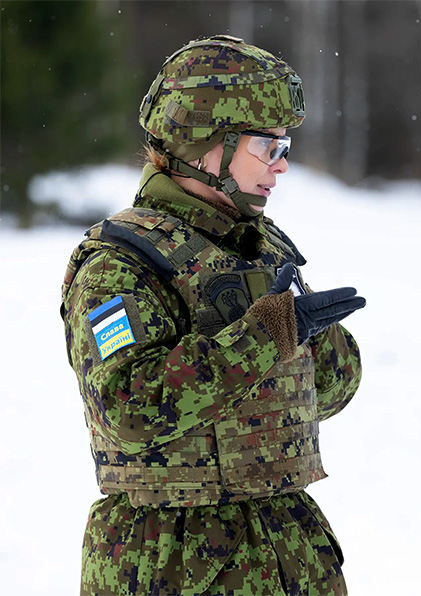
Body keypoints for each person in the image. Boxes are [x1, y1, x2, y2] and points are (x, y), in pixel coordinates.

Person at [61, 35, 366, 595]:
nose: (282, 166)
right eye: (267, 147)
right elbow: (129, 411)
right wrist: (266, 337)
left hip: (288, 545)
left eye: (286, 146)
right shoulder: (119, 266)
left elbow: (329, 392)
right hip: (171, 558)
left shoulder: (260, 246)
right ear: (204, 145)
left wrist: (316, 339)